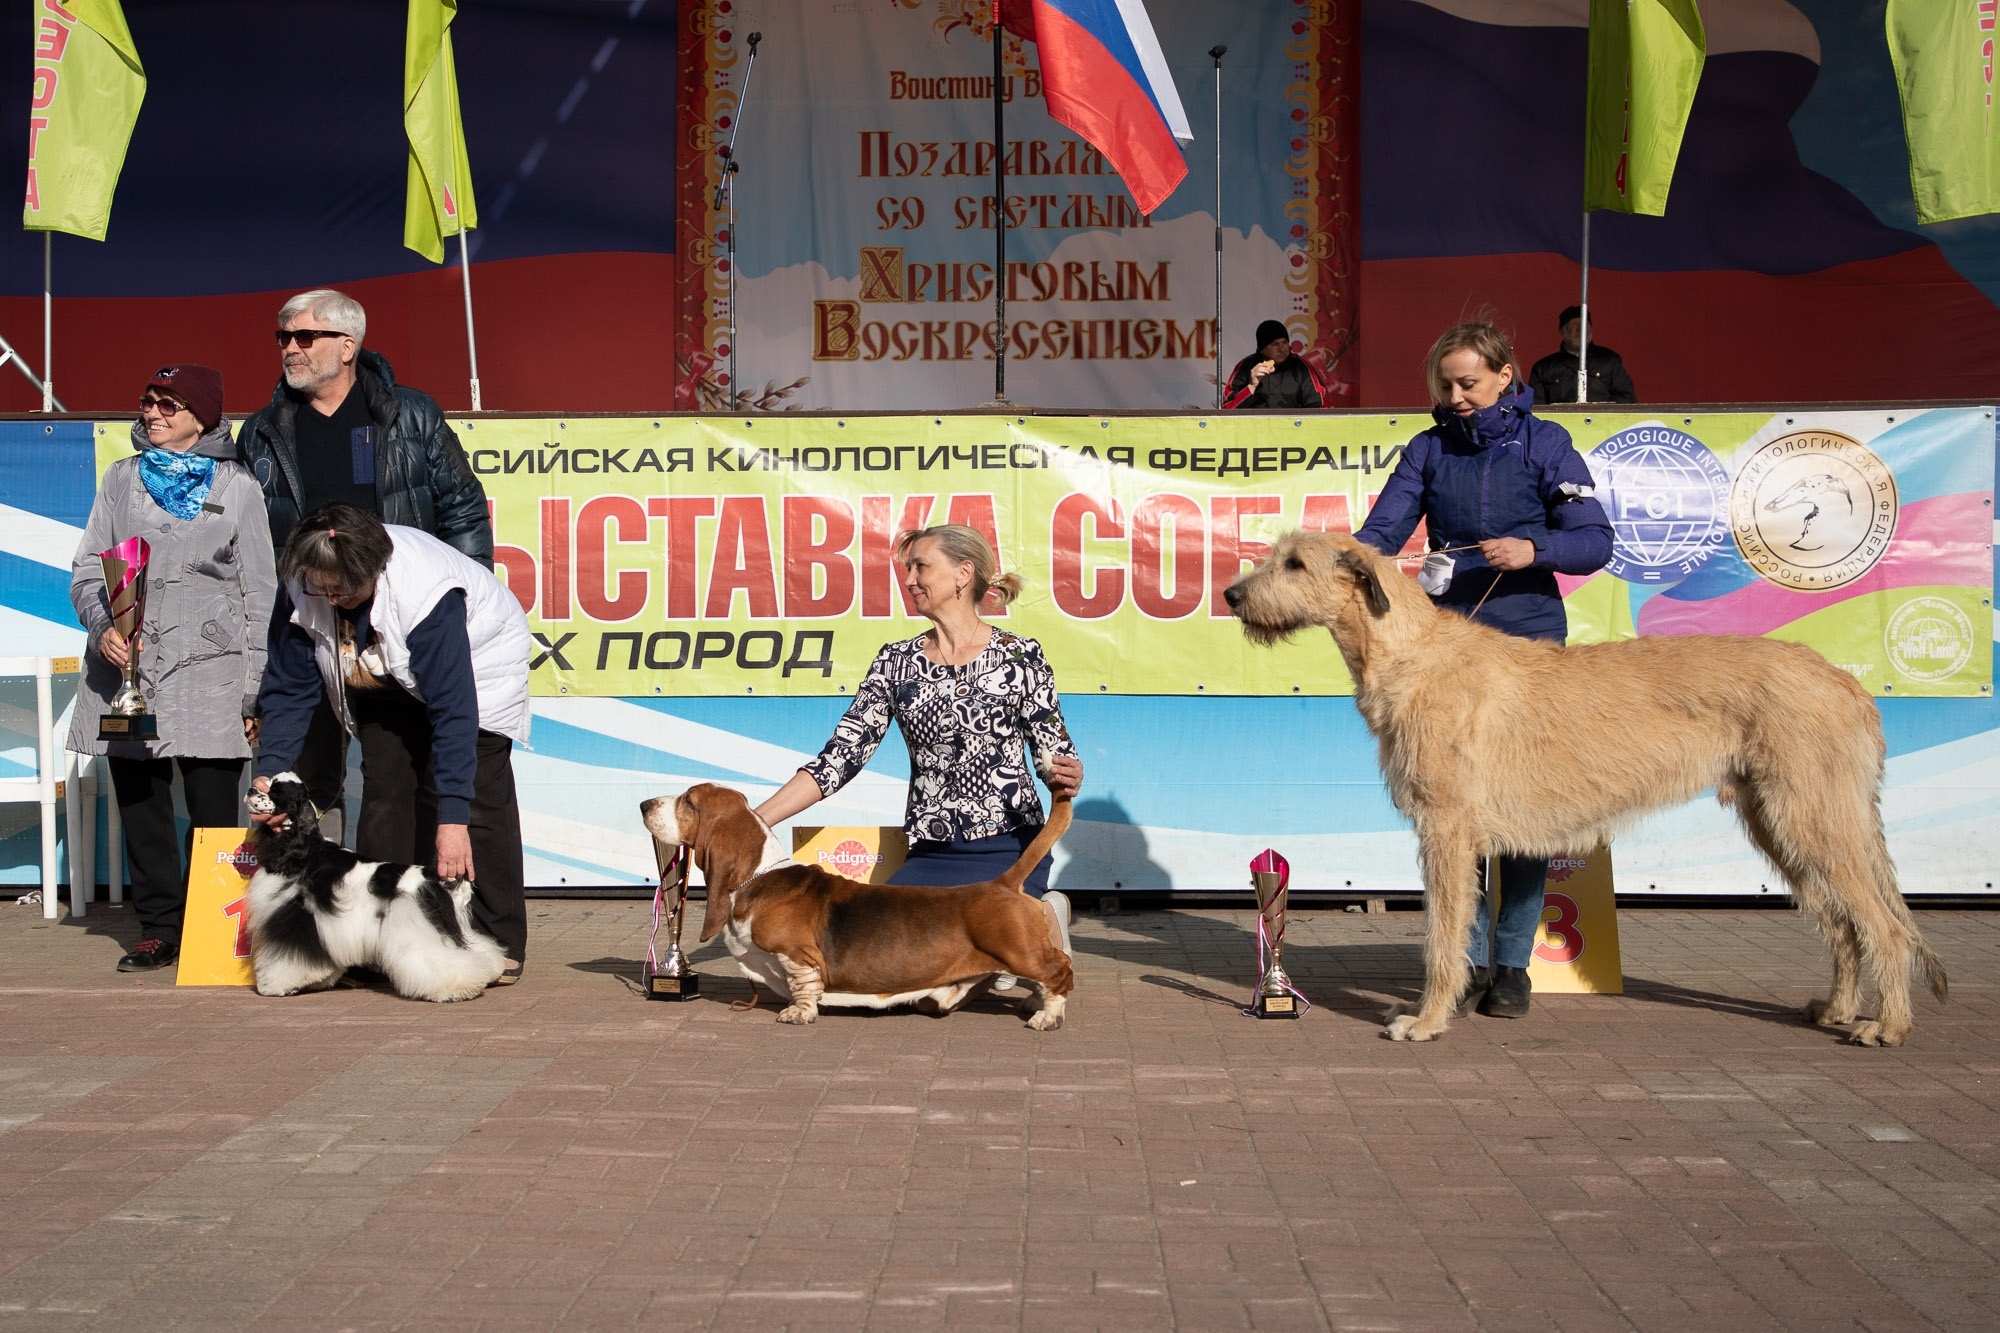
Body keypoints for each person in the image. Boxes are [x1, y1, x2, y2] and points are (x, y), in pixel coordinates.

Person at [1355, 321, 1613, 1019]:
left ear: (1506, 376)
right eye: (1446, 383)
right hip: (1449, 646)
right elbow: (1378, 537)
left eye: (1468, 381)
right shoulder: (1428, 448)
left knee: (1523, 813)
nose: (1456, 395)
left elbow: (1595, 542)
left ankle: (1513, 964)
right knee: (1449, 812)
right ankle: (1461, 961)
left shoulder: (1546, 444)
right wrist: (1346, 563)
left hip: (1530, 640)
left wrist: (1533, 549)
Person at [753, 524, 1084, 971]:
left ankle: (1041, 915)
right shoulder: (895, 662)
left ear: (963, 574)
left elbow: (1054, 751)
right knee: (902, 980)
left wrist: (1064, 773)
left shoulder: (1020, 655)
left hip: (1012, 851)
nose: (909, 580)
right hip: (932, 855)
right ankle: (1019, 936)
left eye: (921, 567)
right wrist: (756, 821)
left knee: (985, 961)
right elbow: (840, 758)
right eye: (908, 569)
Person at [236, 289, 493, 844]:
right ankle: (312, 906)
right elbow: (246, 543)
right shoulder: (260, 430)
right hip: (311, 619)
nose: (290, 349)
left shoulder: (409, 413)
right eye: (283, 338)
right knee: (305, 772)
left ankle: (401, 903)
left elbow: (463, 509)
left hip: (394, 616)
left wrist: (457, 607)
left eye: (305, 337)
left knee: (393, 777)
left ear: (347, 345)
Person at [250, 502, 531, 984]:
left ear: (373, 571)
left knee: (477, 803)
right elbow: (288, 684)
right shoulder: (303, 581)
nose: (328, 597)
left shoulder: (427, 592)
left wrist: (453, 820)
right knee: (385, 793)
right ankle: (376, 938)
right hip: (378, 674)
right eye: (319, 586)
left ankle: (493, 937)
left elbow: (453, 712)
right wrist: (273, 771)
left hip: (476, 673)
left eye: (340, 589)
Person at [68, 365, 277, 972]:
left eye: (168, 403)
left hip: (213, 673)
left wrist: (253, 691)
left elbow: (259, 591)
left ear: (202, 415)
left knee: (214, 811)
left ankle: (213, 935)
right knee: (141, 805)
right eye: (148, 401)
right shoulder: (120, 479)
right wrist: (102, 626)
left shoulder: (238, 486)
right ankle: (158, 930)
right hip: (130, 673)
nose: (153, 413)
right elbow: (90, 569)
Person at [1528, 305, 1636, 405]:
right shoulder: (1544, 368)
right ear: (1563, 331)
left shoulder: (1609, 360)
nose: (1580, 329)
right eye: (1574, 325)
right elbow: (1536, 407)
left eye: (1585, 324)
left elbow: (1627, 398)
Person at [1223, 320, 1326, 409]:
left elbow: (1318, 406)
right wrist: (1251, 386)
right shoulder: (1246, 366)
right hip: (1254, 429)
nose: (1282, 349)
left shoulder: (1300, 367)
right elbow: (1228, 409)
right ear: (1262, 349)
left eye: (1285, 342)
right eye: (1275, 344)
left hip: (1291, 429)